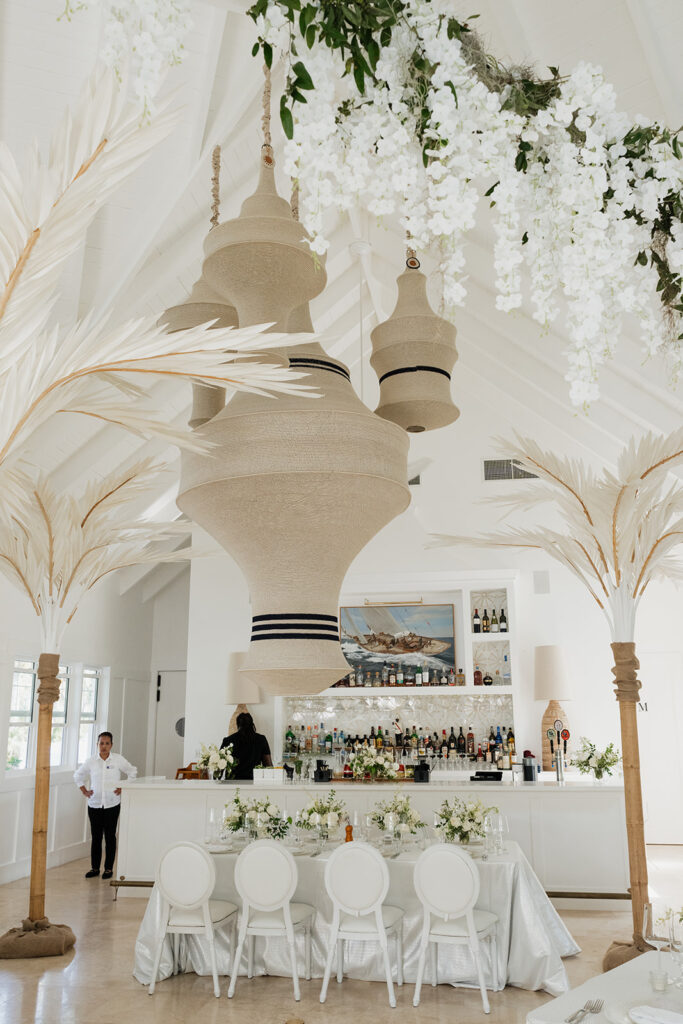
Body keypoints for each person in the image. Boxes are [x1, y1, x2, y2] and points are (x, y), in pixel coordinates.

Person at [73, 731, 137, 880]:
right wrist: (84, 790)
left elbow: (132, 771)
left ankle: (108, 869)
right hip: (94, 805)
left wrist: (123, 787)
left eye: (107, 743)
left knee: (110, 837)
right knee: (96, 838)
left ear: (111, 745)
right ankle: (94, 868)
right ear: (97, 744)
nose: (104, 746)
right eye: (101, 743)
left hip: (112, 805)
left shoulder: (118, 760)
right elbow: (78, 775)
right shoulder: (91, 761)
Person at [220, 712, 272, 781]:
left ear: (237, 725)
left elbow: (220, 768)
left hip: (232, 782)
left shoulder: (228, 740)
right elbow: (268, 766)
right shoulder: (261, 739)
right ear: (252, 724)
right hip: (254, 782)